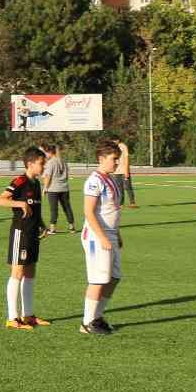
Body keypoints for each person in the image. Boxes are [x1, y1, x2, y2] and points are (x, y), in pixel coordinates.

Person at [79, 140, 128, 336]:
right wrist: (102, 237)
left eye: (118, 159)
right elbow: (89, 212)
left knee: (114, 277)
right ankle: (87, 322)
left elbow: (112, 211)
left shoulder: (110, 179)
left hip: (110, 235)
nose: (117, 163)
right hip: (96, 236)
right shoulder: (94, 180)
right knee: (98, 279)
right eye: (114, 159)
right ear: (101, 159)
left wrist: (117, 234)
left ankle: (96, 317)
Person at [0, 146, 48, 331]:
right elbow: (0, 200)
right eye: (42, 163)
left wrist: (42, 224)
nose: (44, 167)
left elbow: (35, 207)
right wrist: (19, 203)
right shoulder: (20, 181)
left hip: (33, 234)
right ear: (31, 163)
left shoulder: (36, 183)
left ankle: (28, 315)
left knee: (30, 273)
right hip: (21, 233)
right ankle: (12, 318)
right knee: (17, 273)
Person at [42, 143, 76, 234]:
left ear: (49, 152)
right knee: (67, 207)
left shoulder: (50, 163)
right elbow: (67, 175)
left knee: (54, 209)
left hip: (53, 189)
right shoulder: (63, 161)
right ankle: (72, 227)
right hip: (64, 188)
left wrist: (45, 188)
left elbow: (48, 176)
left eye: (46, 152)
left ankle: (52, 229)